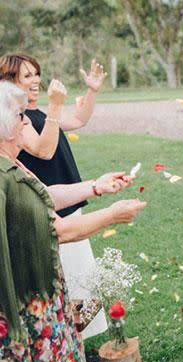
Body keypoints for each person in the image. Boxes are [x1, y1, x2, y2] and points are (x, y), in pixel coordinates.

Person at [0, 81, 146, 362]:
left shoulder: (12, 162)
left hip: (42, 296)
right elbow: (59, 231)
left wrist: (95, 186)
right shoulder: (3, 175)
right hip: (26, 306)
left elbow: (43, 196)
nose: (27, 121)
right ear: (7, 125)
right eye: (21, 115)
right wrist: (112, 215)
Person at [0, 53, 110, 339]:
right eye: (27, 76)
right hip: (48, 208)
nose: (36, 80)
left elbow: (80, 119)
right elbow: (44, 150)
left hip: (67, 196)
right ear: (9, 82)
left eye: (37, 74)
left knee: (82, 276)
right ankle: (71, 341)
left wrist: (92, 90)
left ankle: (82, 343)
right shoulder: (13, 121)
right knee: (68, 277)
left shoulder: (37, 114)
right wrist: (55, 107)